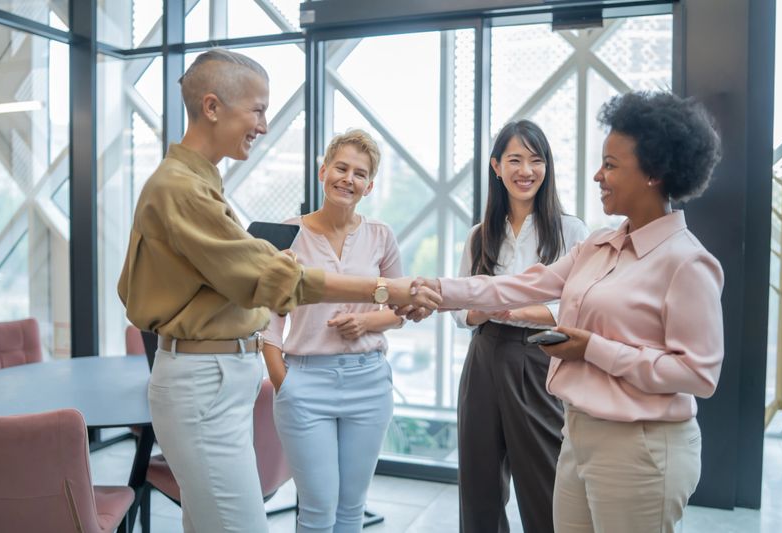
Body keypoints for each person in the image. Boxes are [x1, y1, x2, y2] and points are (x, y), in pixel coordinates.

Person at [118, 49, 440, 533]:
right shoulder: (182, 189)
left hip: (220, 380)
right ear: (212, 107)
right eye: (258, 109)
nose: (264, 125)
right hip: (209, 381)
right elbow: (278, 284)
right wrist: (383, 289)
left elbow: (142, 286)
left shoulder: (197, 185)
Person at [397, 91, 724, 532]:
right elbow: (521, 284)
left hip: (641, 446)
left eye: (610, 165)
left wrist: (593, 348)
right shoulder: (599, 245)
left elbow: (698, 376)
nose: (597, 175)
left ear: (655, 172)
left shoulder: (687, 261)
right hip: (579, 431)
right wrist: (436, 289)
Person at [262, 129, 402, 533]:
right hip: (304, 381)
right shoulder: (288, 233)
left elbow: (400, 307)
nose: (348, 178)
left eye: (360, 173)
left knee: (351, 510)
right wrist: (282, 380)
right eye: (341, 167)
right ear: (323, 171)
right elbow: (268, 315)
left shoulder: (381, 236)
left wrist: (367, 321)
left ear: (370, 185)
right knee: (318, 511)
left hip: (369, 381)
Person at [451, 120, 588, 533]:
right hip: (485, 356)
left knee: (543, 479)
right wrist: (483, 308)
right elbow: (462, 309)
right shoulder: (480, 235)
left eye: (535, 159)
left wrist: (508, 305)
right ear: (496, 166)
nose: (525, 170)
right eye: (514, 159)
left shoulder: (571, 230)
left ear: (547, 167)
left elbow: (575, 308)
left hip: (540, 356)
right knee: (479, 483)